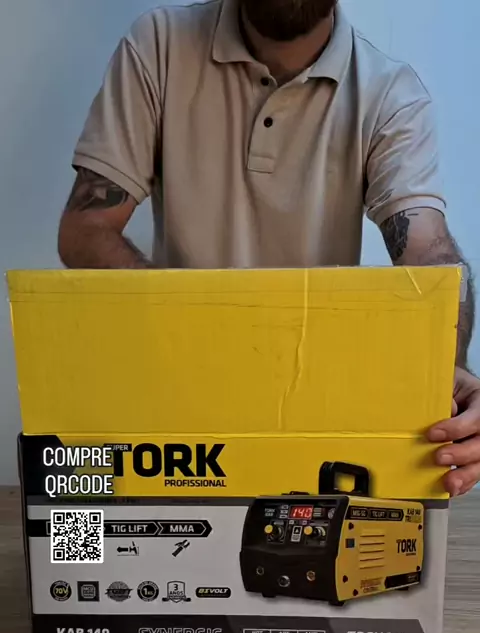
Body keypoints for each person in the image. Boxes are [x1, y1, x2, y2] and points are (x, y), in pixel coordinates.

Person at [58, 0, 480, 497]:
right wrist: (196, 331)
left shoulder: (390, 93)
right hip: (176, 406)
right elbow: (86, 230)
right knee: (86, 536)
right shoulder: (159, 45)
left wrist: (449, 370)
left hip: (311, 419)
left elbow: (429, 255)